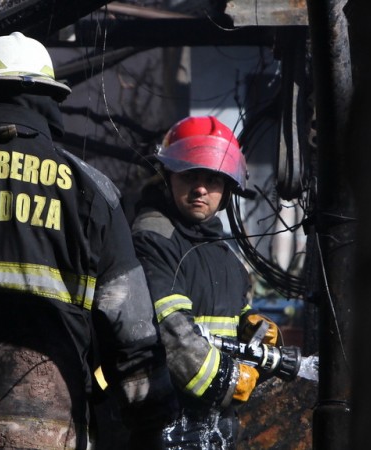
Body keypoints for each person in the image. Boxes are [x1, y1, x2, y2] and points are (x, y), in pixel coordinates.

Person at [0, 31, 178, 449]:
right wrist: (153, 419)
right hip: (48, 430)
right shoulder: (91, 191)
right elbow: (129, 325)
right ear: (50, 100)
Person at [130, 116, 283, 449]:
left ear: (227, 188)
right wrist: (229, 379)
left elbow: (224, 315)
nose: (200, 188)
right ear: (168, 176)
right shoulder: (153, 238)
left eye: (212, 179)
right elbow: (170, 332)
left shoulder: (226, 258)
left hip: (214, 427)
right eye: (189, 175)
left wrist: (251, 327)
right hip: (164, 425)